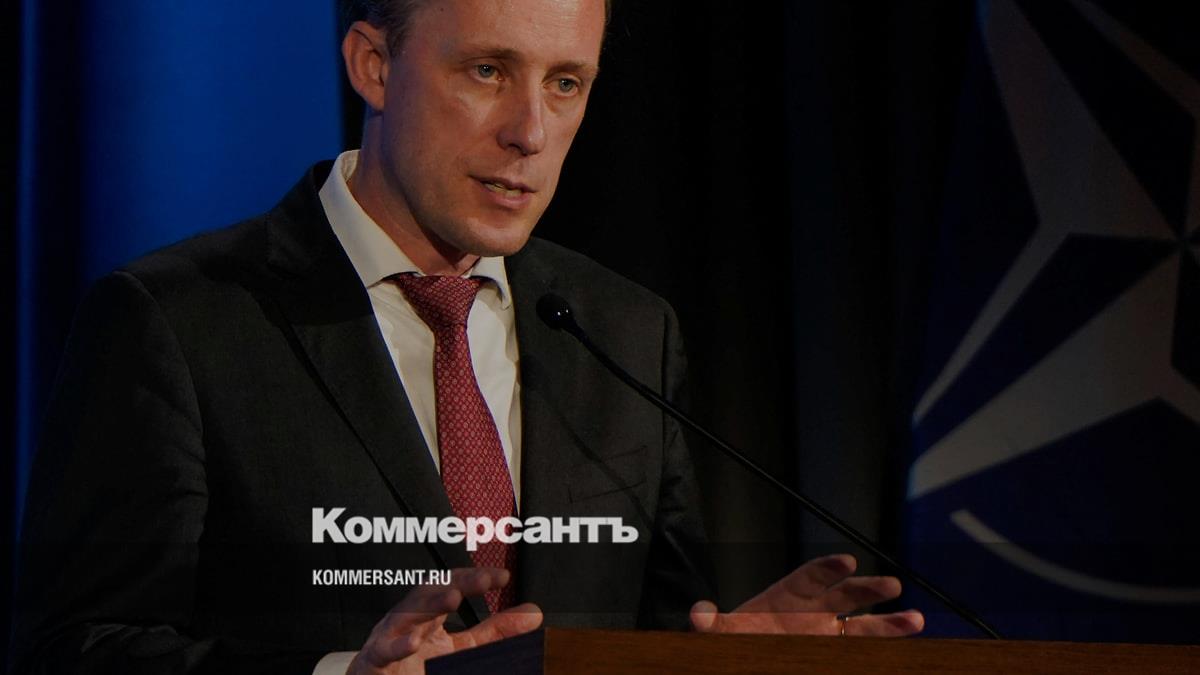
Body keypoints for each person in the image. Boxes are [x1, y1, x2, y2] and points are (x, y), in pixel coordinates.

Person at [10, 0, 923, 673]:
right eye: (488, 70)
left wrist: (719, 659)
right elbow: (74, 650)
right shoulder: (179, 321)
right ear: (374, 66)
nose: (531, 131)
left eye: (565, 83)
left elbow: (634, 634)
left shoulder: (625, 329)